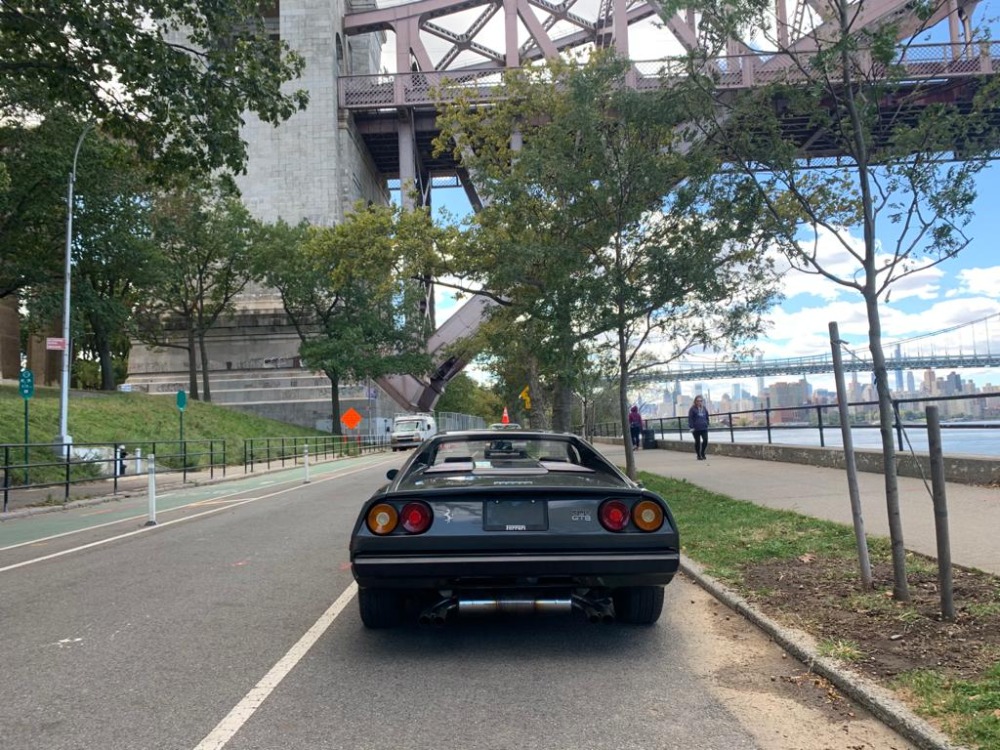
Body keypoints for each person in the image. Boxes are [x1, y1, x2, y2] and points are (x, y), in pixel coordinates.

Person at [688, 396, 710, 460]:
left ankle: (702, 452)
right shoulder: (692, 409)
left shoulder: (704, 408)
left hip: (704, 428)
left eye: (700, 401)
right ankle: (698, 455)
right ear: (695, 401)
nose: (699, 402)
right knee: (697, 442)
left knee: (705, 440)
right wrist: (691, 427)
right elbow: (690, 419)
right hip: (696, 429)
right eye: (698, 401)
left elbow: (707, 416)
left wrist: (707, 423)